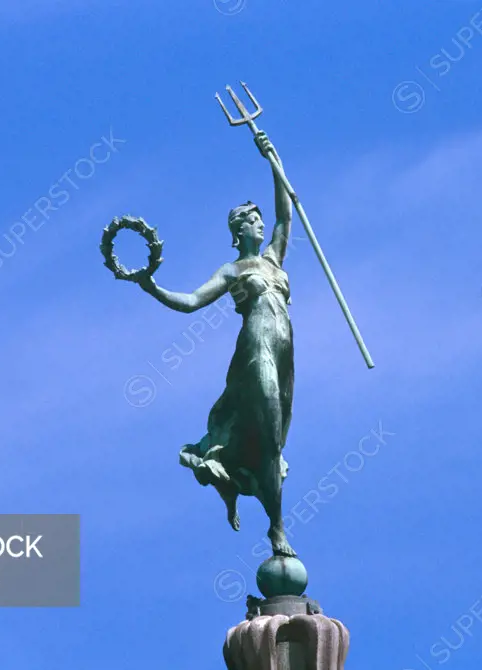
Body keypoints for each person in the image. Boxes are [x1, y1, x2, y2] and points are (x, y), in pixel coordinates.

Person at [135, 131, 297, 557]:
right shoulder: (233, 270)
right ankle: (277, 527)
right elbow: (191, 302)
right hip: (256, 347)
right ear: (239, 228)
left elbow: (286, 216)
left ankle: (272, 511)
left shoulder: (274, 260)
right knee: (269, 419)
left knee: (276, 436)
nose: (261, 224)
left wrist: (272, 159)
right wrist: (151, 286)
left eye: (261, 219)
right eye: (253, 219)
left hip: (285, 353)